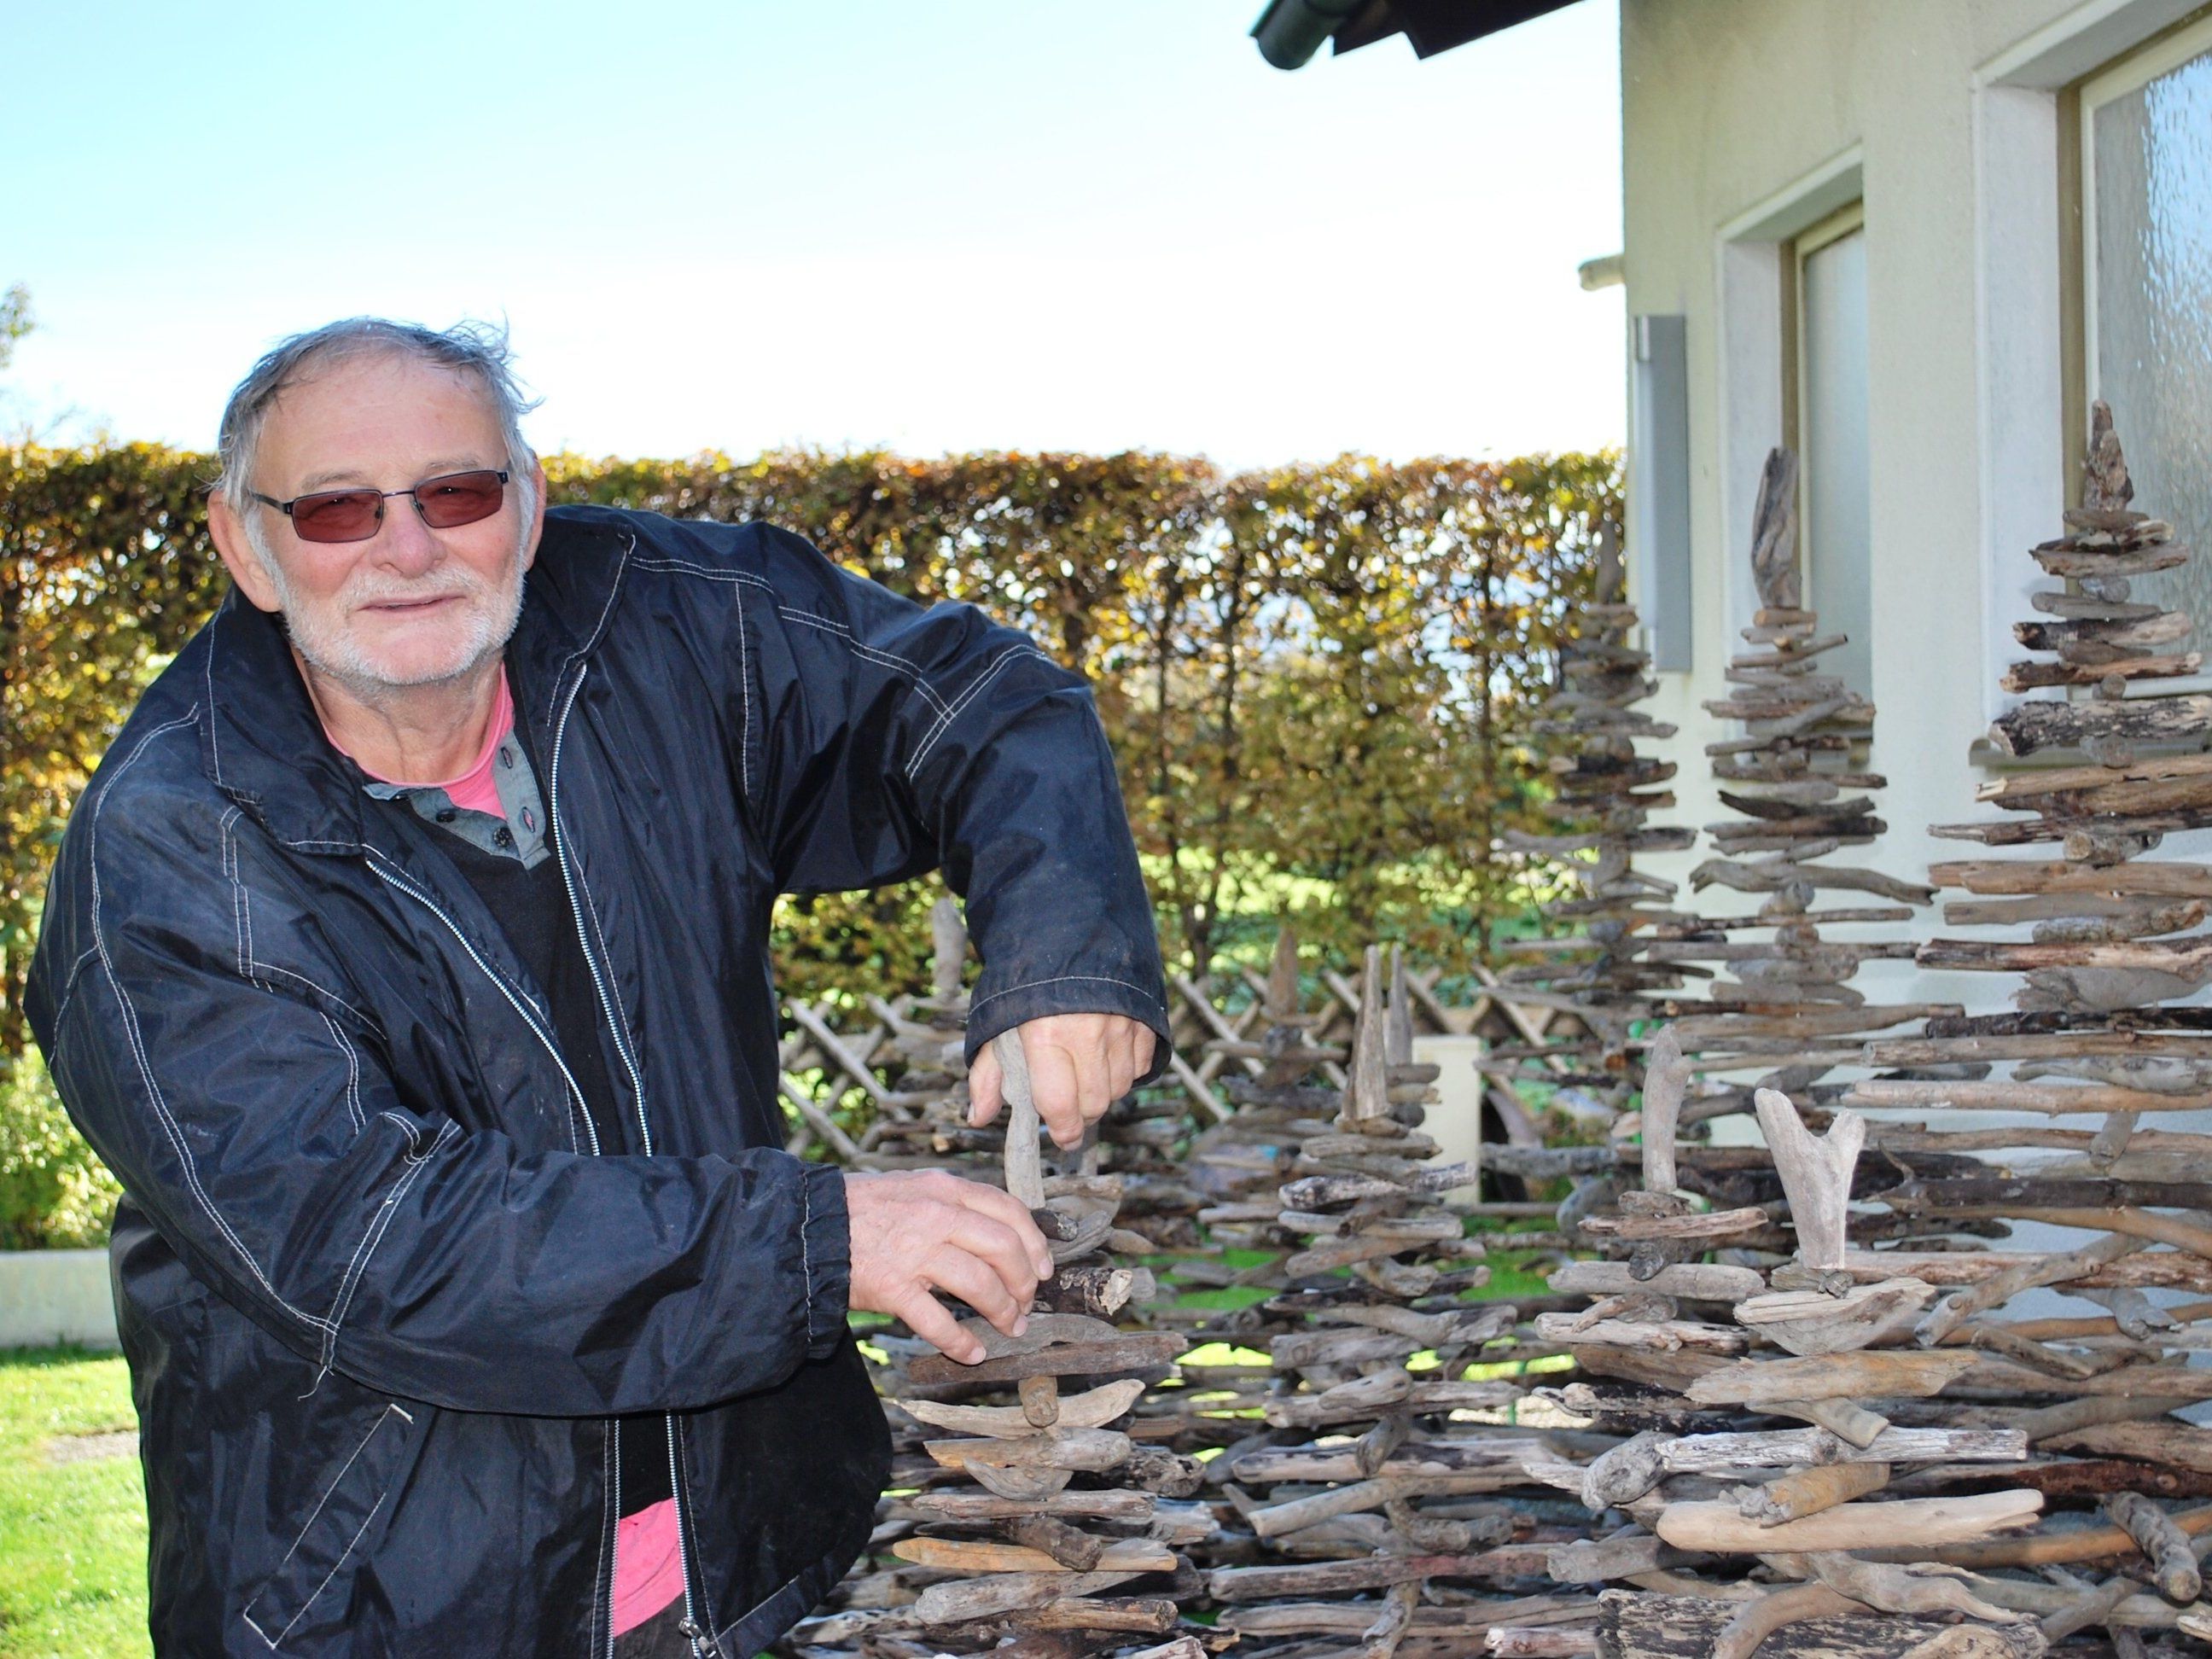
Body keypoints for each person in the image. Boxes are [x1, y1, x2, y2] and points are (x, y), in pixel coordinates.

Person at [25, 317, 1170, 1659]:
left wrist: (1059, 946)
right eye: (337, 509)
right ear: (248, 549)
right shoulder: (168, 849)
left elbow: (978, 698)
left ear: (527, 502)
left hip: (733, 1562)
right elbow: (376, 1246)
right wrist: (818, 1242)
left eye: (457, 492)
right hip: (391, 1607)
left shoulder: (664, 622)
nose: (407, 548)